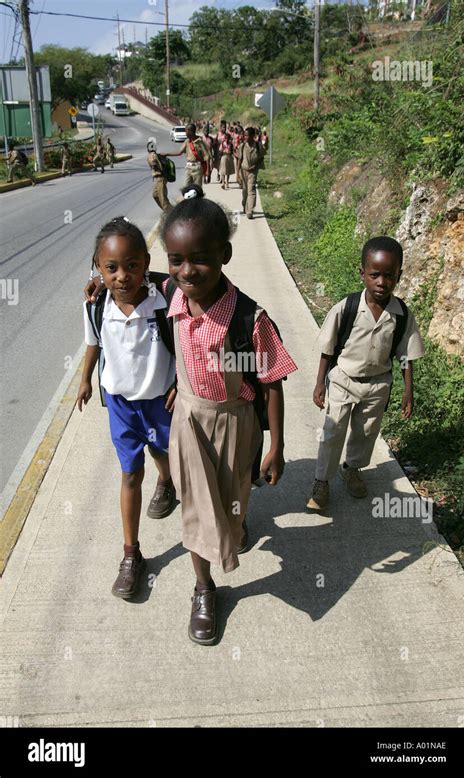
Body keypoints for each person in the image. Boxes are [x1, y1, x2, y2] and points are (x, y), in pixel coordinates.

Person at [161, 184, 297, 644]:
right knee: (196, 508)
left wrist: (276, 445)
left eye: (199, 258)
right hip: (189, 421)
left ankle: (236, 526)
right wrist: (100, 284)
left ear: (225, 254)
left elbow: (272, 381)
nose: (186, 270)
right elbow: (132, 280)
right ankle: (203, 588)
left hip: (237, 424)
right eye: (176, 259)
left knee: (234, 498)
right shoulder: (171, 295)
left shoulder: (247, 318)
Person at [77, 217, 177, 598]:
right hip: (120, 405)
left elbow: (183, 345)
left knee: (165, 452)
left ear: (146, 263)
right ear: (98, 268)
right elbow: (93, 344)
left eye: (133, 265)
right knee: (130, 474)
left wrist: (181, 382)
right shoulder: (96, 305)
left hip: (160, 402)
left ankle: (167, 483)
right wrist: (85, 380)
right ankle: (132, 554)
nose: (122, 276)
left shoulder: (163, 299)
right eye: (111, 268)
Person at [307, 236, 424, 511]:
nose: (381, 282)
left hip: (378, 385)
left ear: (399, 276)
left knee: (367, 431)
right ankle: (322, 481)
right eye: (374, 275)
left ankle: (352, 468)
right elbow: (328, 348)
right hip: (344, 381)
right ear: (362, 274)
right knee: (332, 431)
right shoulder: (346, 308)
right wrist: (319, 383)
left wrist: (409, 389)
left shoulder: (402, 315)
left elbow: (405, 354)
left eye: (389, 276)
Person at [235, 127, 266, 219]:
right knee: (245, 191)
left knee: (251, 190)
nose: (245, 137)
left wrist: (255, 166)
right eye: (244, 135)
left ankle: (250, 211)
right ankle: (245, 204)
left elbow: (261, 158)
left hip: (253, 171)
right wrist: (237, 174)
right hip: (243, 171)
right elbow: (239, 160)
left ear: (253, 136)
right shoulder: (242, 146)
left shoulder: (258, 146)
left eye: (247, 135)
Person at [146, 141, 172, 213]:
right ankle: (168, 210)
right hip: (157, 178)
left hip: (160, 178)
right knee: (155, 195)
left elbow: (153, 163)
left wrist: (154, 164)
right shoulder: (155, 155)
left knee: (163, 199)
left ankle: (170, 213)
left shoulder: (152, 155)